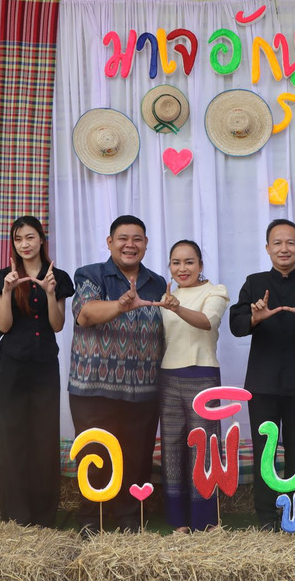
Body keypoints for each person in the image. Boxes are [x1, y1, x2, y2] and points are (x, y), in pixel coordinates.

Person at [229, 219, 295, 529]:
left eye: (290, 242)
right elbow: (236, 326)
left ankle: (293, 515)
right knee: (265, 451)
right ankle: (265, 516)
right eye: (277, 243)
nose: (284, 248)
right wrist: (255, 318)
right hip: (262, 382)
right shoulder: (254, 282)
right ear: (267, 248)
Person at [69, 215, 165, 535]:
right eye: (123, 238)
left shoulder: (157, 283)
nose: (130, 245)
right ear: (110, 242)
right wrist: (120, 306)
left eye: (137, 239)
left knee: (137, 458)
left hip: (143, 389)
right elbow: (85, 314)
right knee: (94, 455)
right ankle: (91, 518)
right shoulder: (90, 274)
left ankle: (128, 518)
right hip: (93, 387)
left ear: (146, 244)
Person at [0, 216, 74, 528]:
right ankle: (16, 516)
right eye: (18, 238)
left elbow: (57, 325)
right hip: (13, 367)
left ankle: (44, 516)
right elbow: (2, 326)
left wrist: (49, 293)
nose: (24, 244)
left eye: (30, 237)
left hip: (45, 367)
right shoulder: (2, 277)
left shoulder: (57, 277)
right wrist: (8, 292)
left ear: (41, 240)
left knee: (45, 438)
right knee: (13, 439)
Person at [158, 240, 230, 533]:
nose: (182, 268)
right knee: (172, 448)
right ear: (170, 266)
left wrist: (176, 308)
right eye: (176, 263)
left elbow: (206, 322)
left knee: (204, 448)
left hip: (202, 375)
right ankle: (179, 522)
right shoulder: (167, 296)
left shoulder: (216, 291)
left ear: (200, 265)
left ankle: (206, 521)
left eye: (189, 262)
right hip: (168, 377)